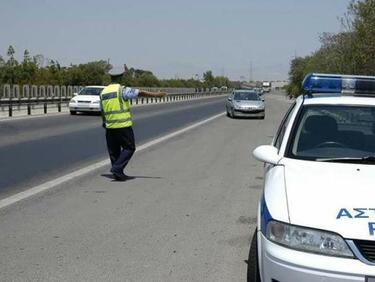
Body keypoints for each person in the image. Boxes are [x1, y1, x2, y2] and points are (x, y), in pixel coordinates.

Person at [100, 75, 167, 181]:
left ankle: (118, 173)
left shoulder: (103, 92)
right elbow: (139, 93)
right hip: (123, 125)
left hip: (110, 126)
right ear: (121, 79)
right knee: (129, 147)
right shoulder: (122, 90)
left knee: (114, 151)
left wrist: (104, 122)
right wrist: (156, 95)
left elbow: (103, 110)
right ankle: (117, 169)